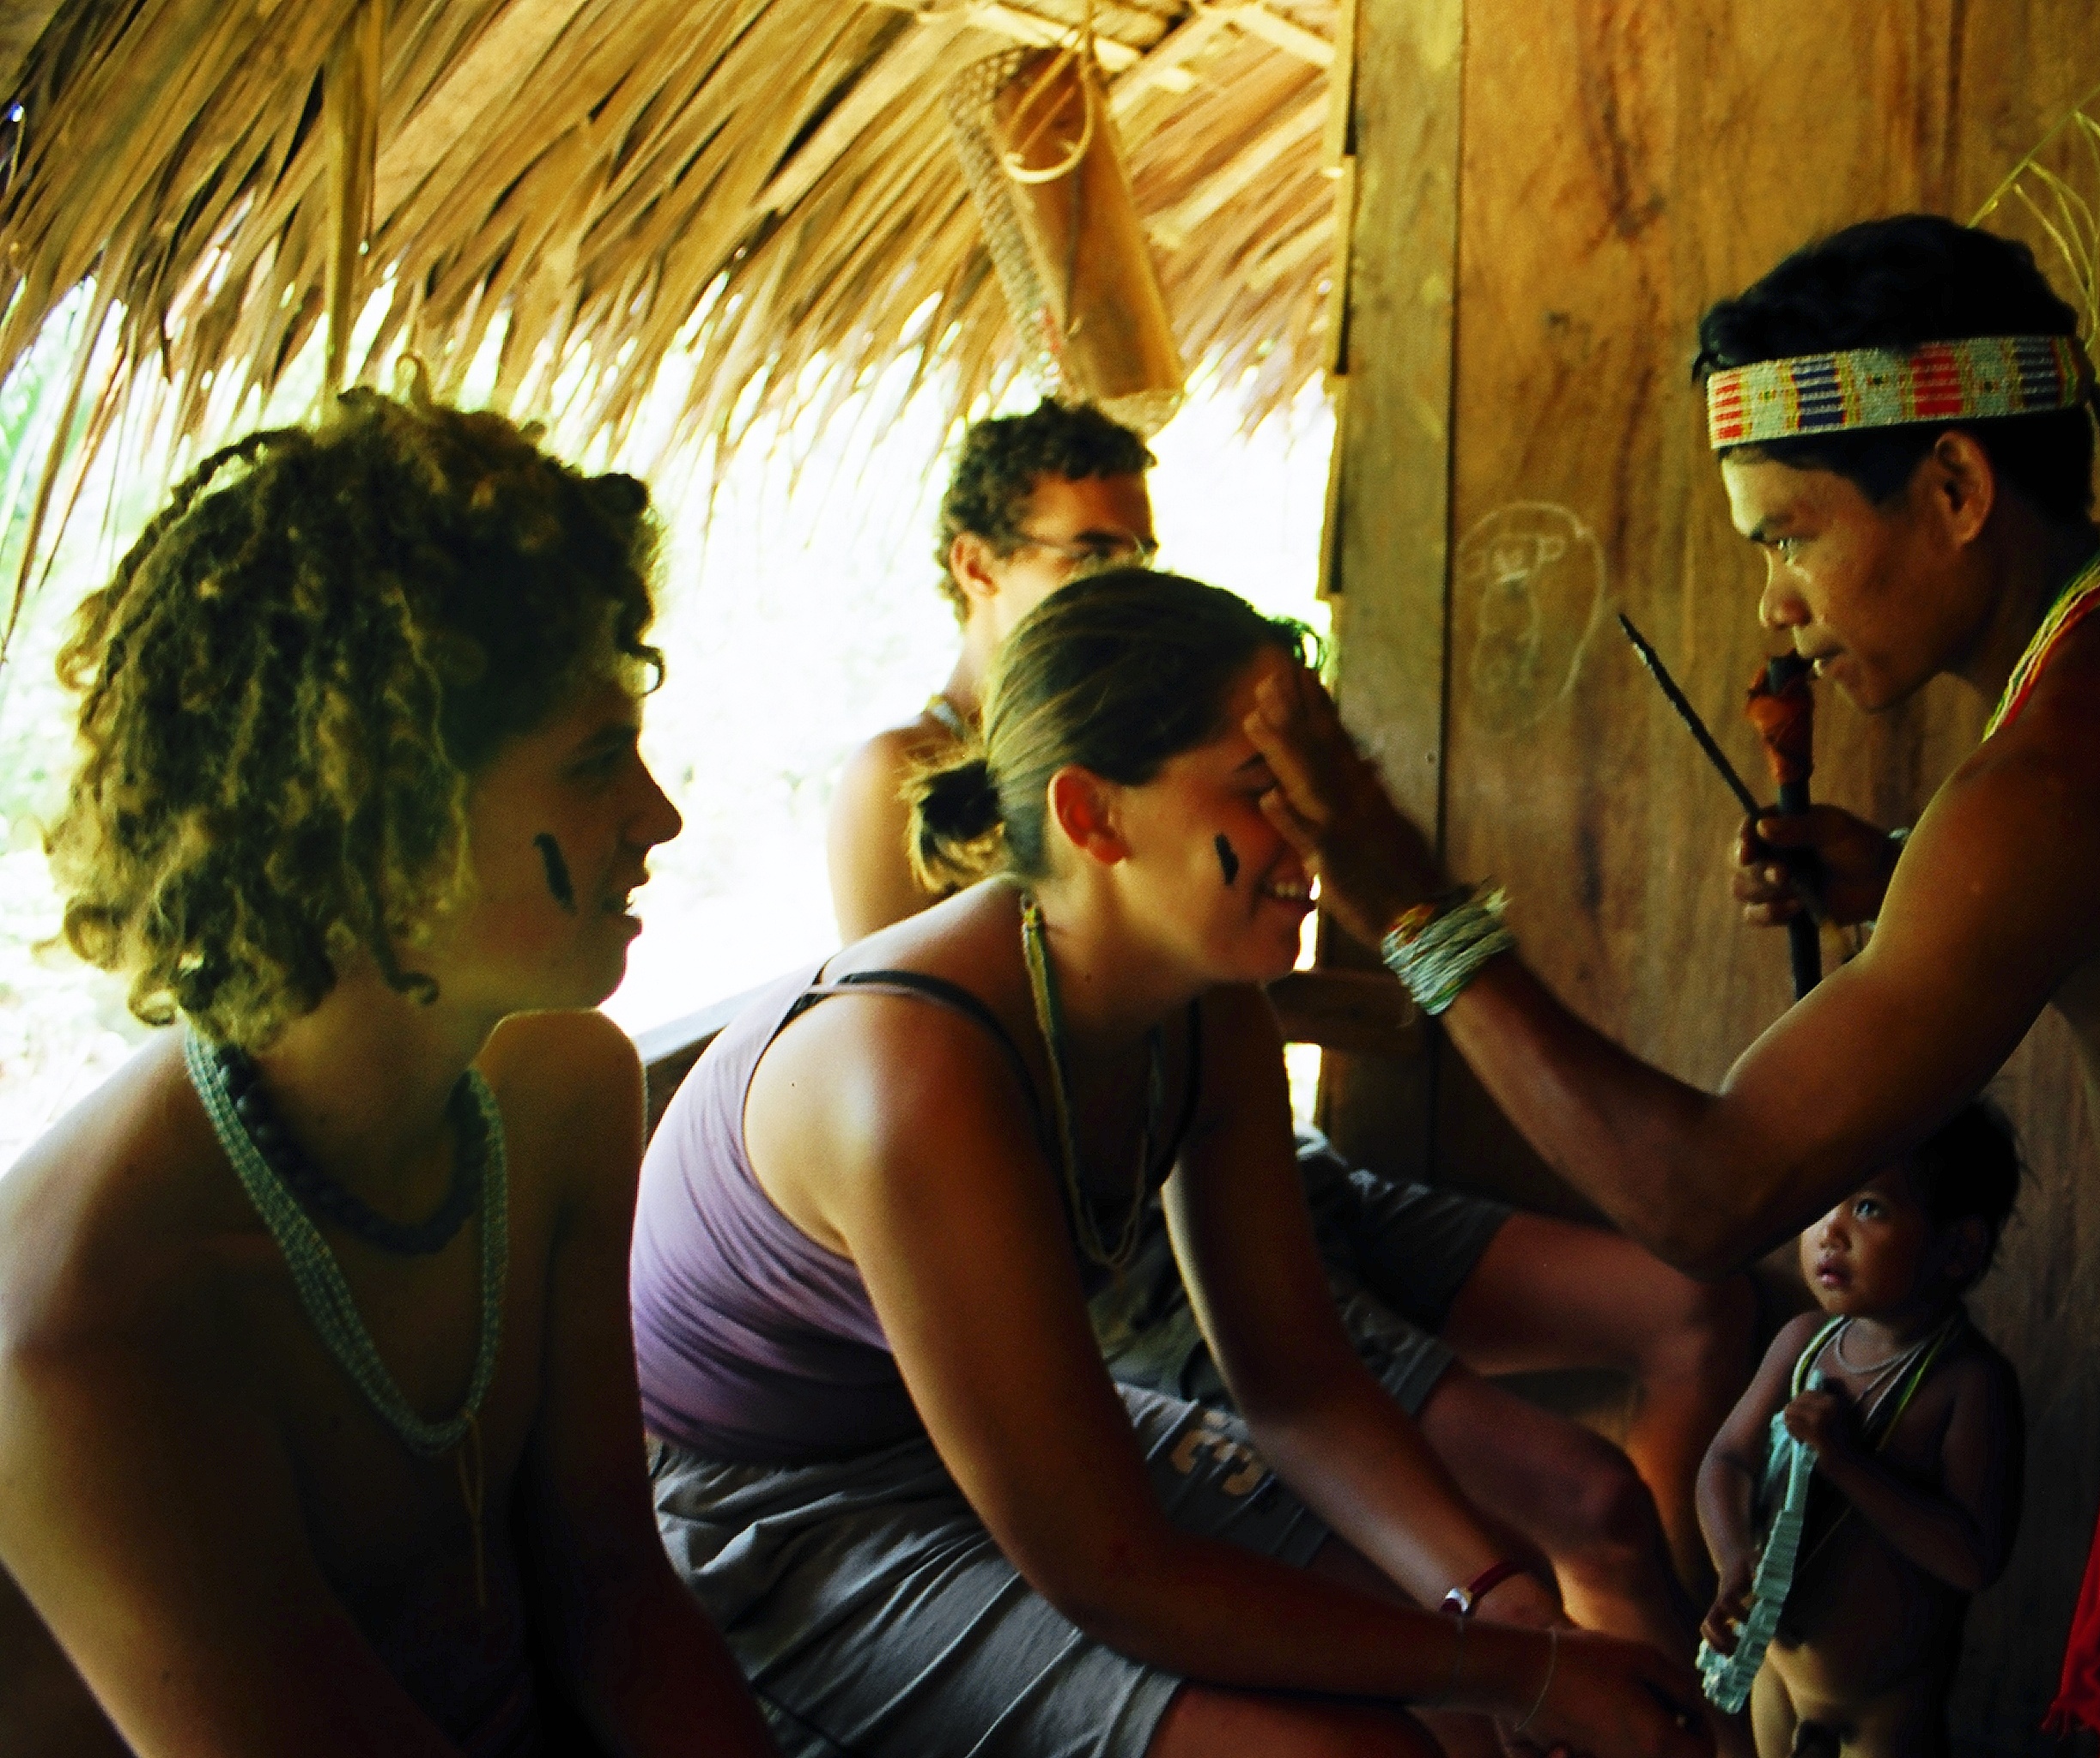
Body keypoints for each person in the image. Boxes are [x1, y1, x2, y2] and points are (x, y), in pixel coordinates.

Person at [1244, 214, 2100, 1754]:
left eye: (1785, 534)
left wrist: (1409, 903)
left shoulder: (2050, 782)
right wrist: (1895, 860)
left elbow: (1706, 1195)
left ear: (1957, 489)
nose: (1772, 602)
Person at [635, 568, 1708, 1757]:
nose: (1314, 835)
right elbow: (1110, 1572)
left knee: (1452, 1651)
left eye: (1320, 787)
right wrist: (1518, 1669)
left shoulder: (1205, 1014)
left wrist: (1500, 1611)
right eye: (1265, 793)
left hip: (985, 1445)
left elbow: (1295, 1384)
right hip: (779, 1507)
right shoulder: (915, 1077)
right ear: (1094, 816)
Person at [824, 397, 1757, 1628]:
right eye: (1089, 551)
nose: (1124, 574)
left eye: (1137, 552)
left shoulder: (1185, 796)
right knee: (1576, 1511)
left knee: (1703, 1303)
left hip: (1274, 1175)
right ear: (975, 566)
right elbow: (963, 1073)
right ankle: (1625, 1667)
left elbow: (1213, 1007)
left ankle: (1696, 1645)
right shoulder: (907, 785)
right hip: (1139, 1264)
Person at [0, 389, 775, 1756]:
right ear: (378, 821)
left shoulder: (562, 1099)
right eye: (596, 764)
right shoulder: (90, 1322)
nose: (657, 818)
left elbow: (615, 1602)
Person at [1696, 1106, 2024, 1758]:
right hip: (1776, 1679)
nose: (1829, 1233)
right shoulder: (1803, 1344)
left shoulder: (1966, 1383)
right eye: (1822, 1206)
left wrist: (1847, 1462)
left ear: (1958, 1248)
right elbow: (1724, 1461)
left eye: (1868, 1209)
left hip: (1884, 1709)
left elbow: (1972, 1558)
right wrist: (1733, 1555)